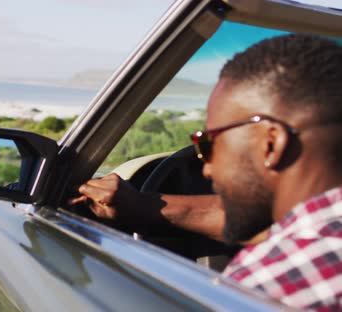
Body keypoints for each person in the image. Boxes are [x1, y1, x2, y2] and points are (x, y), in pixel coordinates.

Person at [70, 34, 342, 310]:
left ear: (270, 144)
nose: (207, 168)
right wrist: (143, 206)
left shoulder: (271, 285)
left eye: (209, 144)